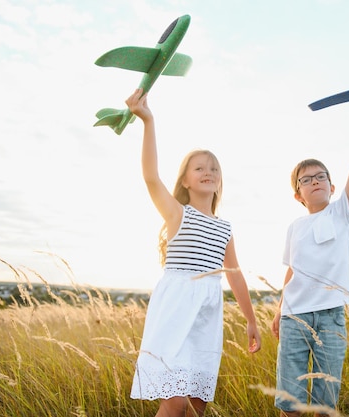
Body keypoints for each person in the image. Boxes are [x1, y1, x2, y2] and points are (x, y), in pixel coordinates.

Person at [125, 88, 261, 417]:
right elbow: (149, 176)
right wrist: (148, 121)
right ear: (185, 180)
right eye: (199, 168)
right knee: (175, 401)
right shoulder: (177, 214)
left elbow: (235, 275)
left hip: (207, 311)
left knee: (197, 404)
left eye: (214, 168)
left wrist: (251, 320)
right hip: (176, 305)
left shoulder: (225, 227)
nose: (208, 172)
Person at [271, 93, 349, 416]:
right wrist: (280, 309)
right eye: (306, 180)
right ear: (298, 194)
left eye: (320, 177)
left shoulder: (340, 213)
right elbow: (292, 272)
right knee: (290, 403)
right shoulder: (295, 226)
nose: (315, 182)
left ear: (332, 187)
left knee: (325, 404)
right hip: (294, 318)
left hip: (330, 318)